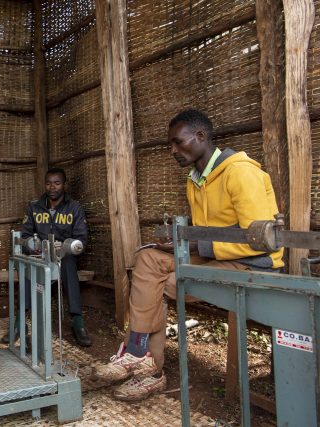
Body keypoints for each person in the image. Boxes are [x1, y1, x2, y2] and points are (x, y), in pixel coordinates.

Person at [97, 109, 284, 402]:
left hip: (253, 264)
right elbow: (206, 231)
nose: (173, 150)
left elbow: (259, 241)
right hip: (218, 258)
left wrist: (194, 246)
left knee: (163, 283)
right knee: (147, 259)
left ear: (200, 136)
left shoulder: (241, 172)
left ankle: (149, 370)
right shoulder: (195, 179)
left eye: (177, 142)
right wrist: (177, 242)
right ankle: (138, 356)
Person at [2, 167, 91, 347]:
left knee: (68, 264)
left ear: (64, 185)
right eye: (49, 183)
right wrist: (33, 247)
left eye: (57, 183)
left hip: (62, 256)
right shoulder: (34, 207)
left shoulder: (74, 208)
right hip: (39, 255)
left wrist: (65, 246)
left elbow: (81, 240)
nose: (52, 187)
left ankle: (77, 321)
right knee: (28, 265)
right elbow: (25, 236)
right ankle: (20, 323)